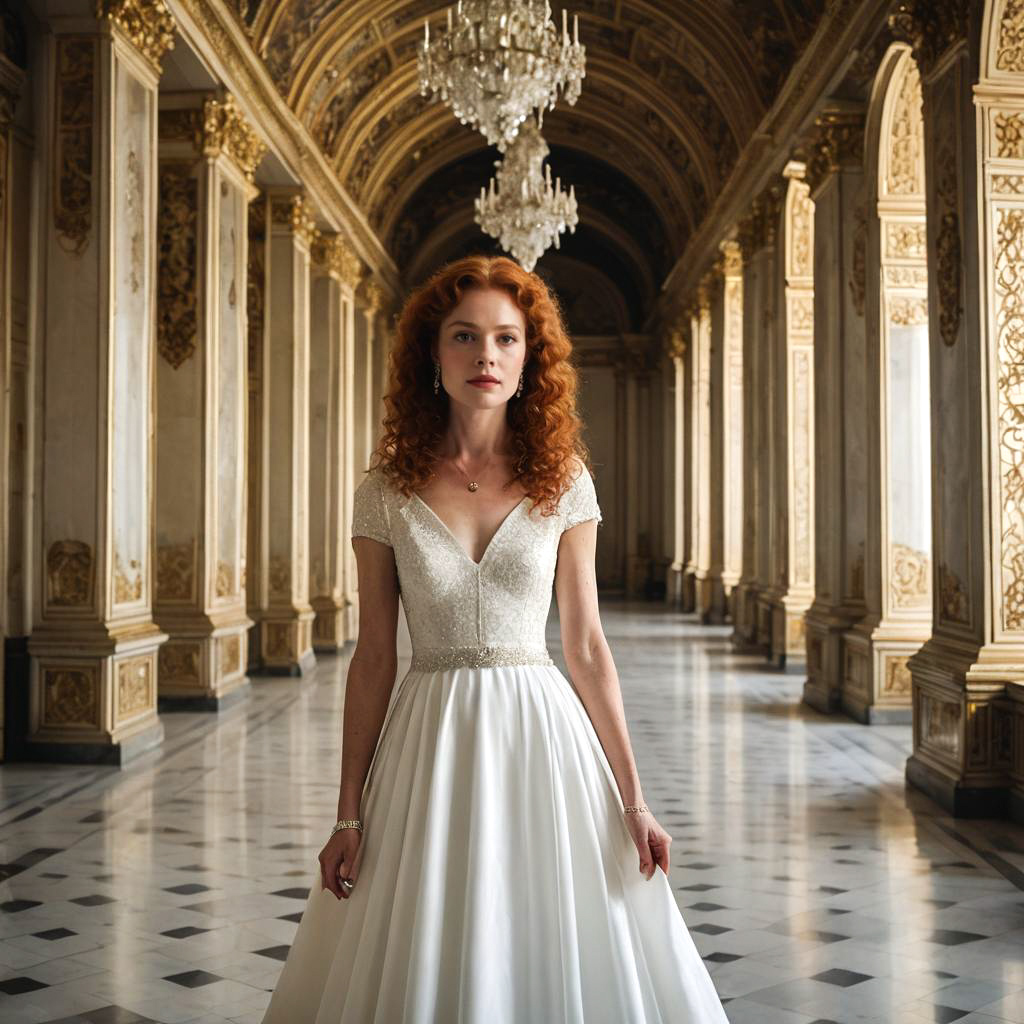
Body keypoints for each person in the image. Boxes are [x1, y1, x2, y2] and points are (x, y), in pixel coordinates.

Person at [262, 255, 729, 1023]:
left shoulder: (562, 478)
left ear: (528, 361)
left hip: (541, 740)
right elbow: (374, 656)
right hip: (429, 744)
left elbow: (585, 647)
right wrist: (347, 815)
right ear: (432, 355)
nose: (486, 356)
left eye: (507, 340)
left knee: (549, 929)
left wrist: (636, 801)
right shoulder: (384, 490)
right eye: (465, 336)